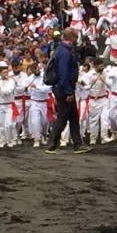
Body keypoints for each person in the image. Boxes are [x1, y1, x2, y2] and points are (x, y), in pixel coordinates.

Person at [45, 27, 90, 155]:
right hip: (64, 89)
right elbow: (63, 74)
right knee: (63, 117)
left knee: (73, 117)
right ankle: (52, 144)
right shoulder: (65, 52)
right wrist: (69, 92)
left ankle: (78, 144)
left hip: (63, 88)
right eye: (76, 36)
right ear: (72, 37)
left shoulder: (63, 50)